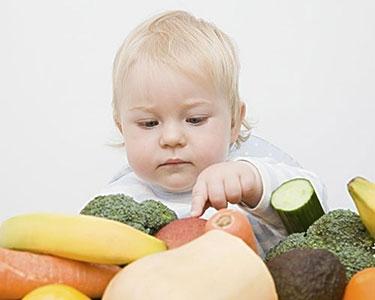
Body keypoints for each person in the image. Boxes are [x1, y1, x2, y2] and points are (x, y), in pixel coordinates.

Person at [97, 10, 326, 256]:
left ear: (234, 123)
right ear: (122, 128)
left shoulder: (244, 180)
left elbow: (320, 210)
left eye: (195, 119)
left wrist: (253, 183)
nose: (172, 138)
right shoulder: (119, 200)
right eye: (149, 123)